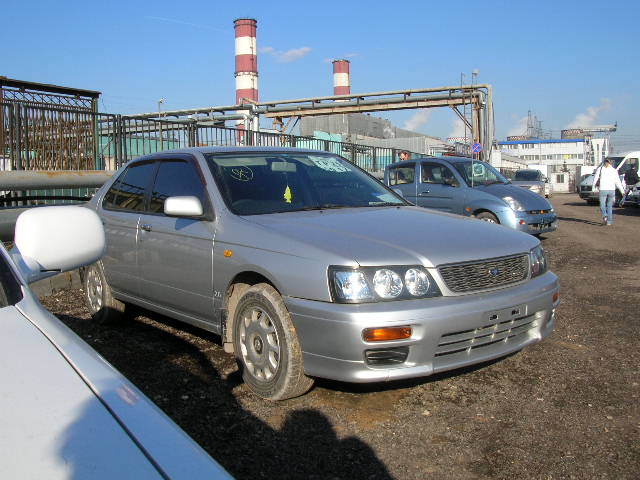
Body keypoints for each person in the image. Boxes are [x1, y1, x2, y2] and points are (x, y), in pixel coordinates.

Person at [592, 159, 625, 226]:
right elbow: (617, 182)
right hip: (612, 190)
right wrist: (622, 191)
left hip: (603, 189)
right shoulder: (614, 170)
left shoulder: (600, 169)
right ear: (611, 163)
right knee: (609, 206)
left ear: (604, 162)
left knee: (602, 204)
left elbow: (595, 179)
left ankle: (605, 215)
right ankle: (609, 222)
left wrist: (593, 188)